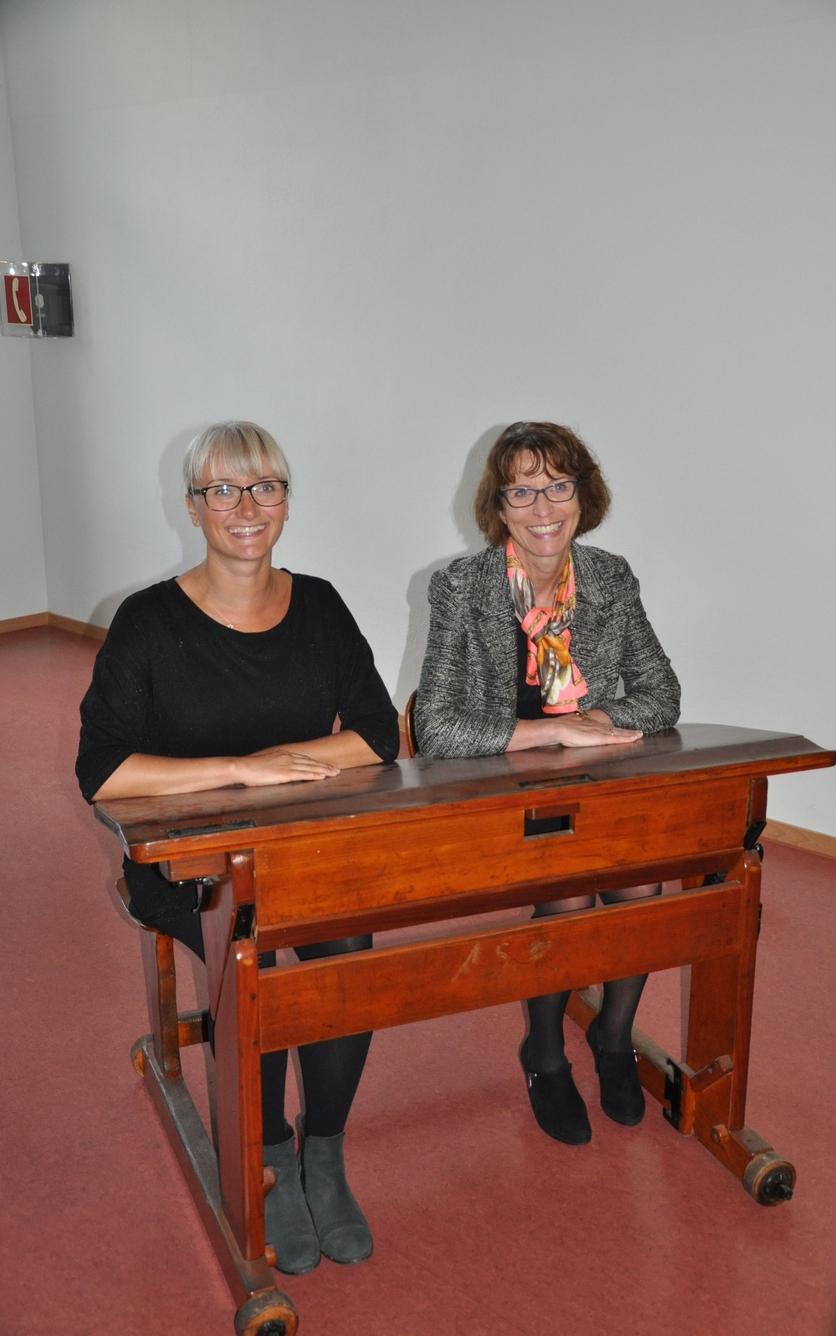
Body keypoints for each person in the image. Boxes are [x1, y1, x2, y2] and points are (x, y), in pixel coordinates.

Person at [76, 421, 399, 1273]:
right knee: (253, 957)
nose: (245, 507)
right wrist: (238, 772)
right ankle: (260, 1160)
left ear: (287, 500)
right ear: (193, 506)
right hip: (189, 867)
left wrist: (280, 772)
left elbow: (375, 734)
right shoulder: (147, 622)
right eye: (223, 490)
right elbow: (103, 773)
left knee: (346, 946)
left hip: (301, 852)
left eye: (265, 487)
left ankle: (320, 1151)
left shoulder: (321, 604)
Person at [414, 421, 680, 1146]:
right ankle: (545, 1052)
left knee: (640, 887)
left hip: (591, 778)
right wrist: (547, 731)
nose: (543, 508)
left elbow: (661, 695)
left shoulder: (609, 577)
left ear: (582, 495)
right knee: (567, 891)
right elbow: (435, 727)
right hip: (500, 787)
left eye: (557, 487)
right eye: (523, 491)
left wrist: (592, 716)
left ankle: (615, 1039)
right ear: (498, 507)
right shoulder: (462, 588)